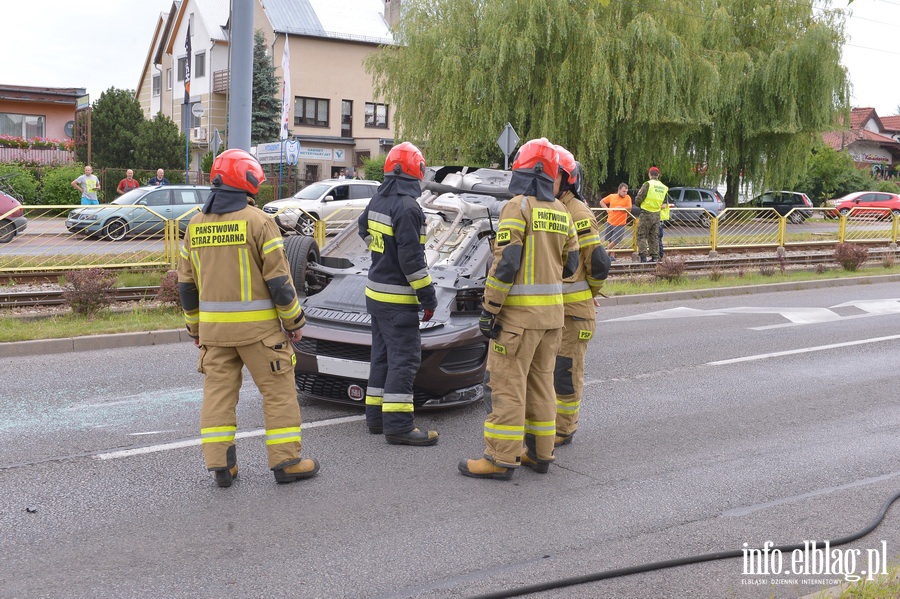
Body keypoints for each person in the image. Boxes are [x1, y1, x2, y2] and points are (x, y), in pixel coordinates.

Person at [176, 148, 319, 487]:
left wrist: (195, 328)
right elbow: (280, 282)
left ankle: (222, 467)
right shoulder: (259, 222)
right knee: (279, 393)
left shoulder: (193, 225)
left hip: (214, 336)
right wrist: (294, 323)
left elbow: (186, 286)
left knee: (218, 397)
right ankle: (286, 463)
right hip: (260, 335)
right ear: (248, 181)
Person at [458, 138, 579, 480]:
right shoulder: (561, 211)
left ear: (523, 172)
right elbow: (570, 266)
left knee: (507, 386)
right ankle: (540, 454)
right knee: (541, 384)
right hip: (552, 319)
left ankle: (499, 458)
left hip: (517, 321)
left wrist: (490, 308)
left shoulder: (518, 207)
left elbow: (507, 261)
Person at [357, 141, 439, 446]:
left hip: (376, 295)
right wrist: (428, 297)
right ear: (415, 171)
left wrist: (381, 253)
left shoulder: (379, 198)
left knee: (381, 357)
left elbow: (362, 227)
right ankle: (399, 425)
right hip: (397, 300)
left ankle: (376, 418)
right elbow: (413, 261)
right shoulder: (408, 207)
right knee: (403, 360)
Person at [552, 146, 611, 448]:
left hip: (574, 314)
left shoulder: (577, 211)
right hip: (558, 312)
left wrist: (591, 292)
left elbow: (598, 262)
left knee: (565, 372)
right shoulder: (554, 207)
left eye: (553, 173)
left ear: (568, 179)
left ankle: (564, 429)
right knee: (551, 371)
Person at [634, 166, 668, 263]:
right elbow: (664, 203)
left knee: (641, 235)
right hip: (657, 214)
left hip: (646, 213)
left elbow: (638, 199)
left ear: (649, 174)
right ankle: (655, 257)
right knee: (654, 236)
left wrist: (638, 204)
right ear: (658, 175)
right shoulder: (664, 187)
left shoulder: (648, 184)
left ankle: (643, 257)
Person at [599, 183, 632, 260]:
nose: (625, 193)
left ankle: (605, 253)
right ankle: (610, 256)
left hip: (620, 223)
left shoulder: (627, 198)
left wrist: (621, 208)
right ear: (619, 190)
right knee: (610, 240)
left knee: (616, 240)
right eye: (624, 191)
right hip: (610, 221)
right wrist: (607, 209)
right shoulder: (612, 196)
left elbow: (629, 209)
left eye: (626, 191)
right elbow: (602, 202)